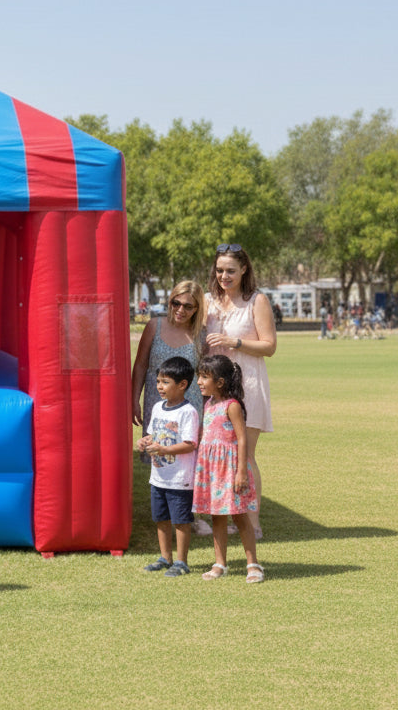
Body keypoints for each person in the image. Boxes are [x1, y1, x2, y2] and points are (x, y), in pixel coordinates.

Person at [204, 244, 274, 539]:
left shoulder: (256, 300)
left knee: (245, 456)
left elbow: (269, 346)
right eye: (220, 270)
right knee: (217, 454)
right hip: (213, 390)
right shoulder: (207, 300)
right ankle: (225, 516)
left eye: (231, 271)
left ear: (244, 269)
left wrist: (235, 342)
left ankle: (253, 523)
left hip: (248, 387)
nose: (224, 276)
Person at [130, 279, 207, 532]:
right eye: (176, 303)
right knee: (160, 455)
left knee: (187, 458)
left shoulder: (201, 334)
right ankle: (163, 510)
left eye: (188, 306)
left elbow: (205, 375)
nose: (181, 310)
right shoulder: (155, 325)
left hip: (190, 405)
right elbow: (140, 365)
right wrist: (134, 399)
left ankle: (193, 514)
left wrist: (209, 413)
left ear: (197, 309)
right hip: (157, 403)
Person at [191, 355, 262, 583]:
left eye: (204, 377)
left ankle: (253, 564)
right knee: (217, 517)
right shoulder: (209, 404)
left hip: (230, 469)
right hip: (212, 471)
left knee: (239, 516)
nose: (199, 382)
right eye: (199, 376)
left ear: (220, 382)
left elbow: (242, 439)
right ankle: (220, 563)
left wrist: (241, 472)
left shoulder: (232, 406)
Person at [138, 357, 201, 578]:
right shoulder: (157, 407)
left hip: (179, 479)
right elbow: (153, 434)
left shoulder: (188, 412)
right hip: (158, 477)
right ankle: (165, 557)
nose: (159, 386)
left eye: (165, 382)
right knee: (161, 518)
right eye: (158, 381)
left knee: (181, 521)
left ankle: (182, 562)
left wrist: (164, 450)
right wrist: (145, 441)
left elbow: (190, 444)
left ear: (182, 384)